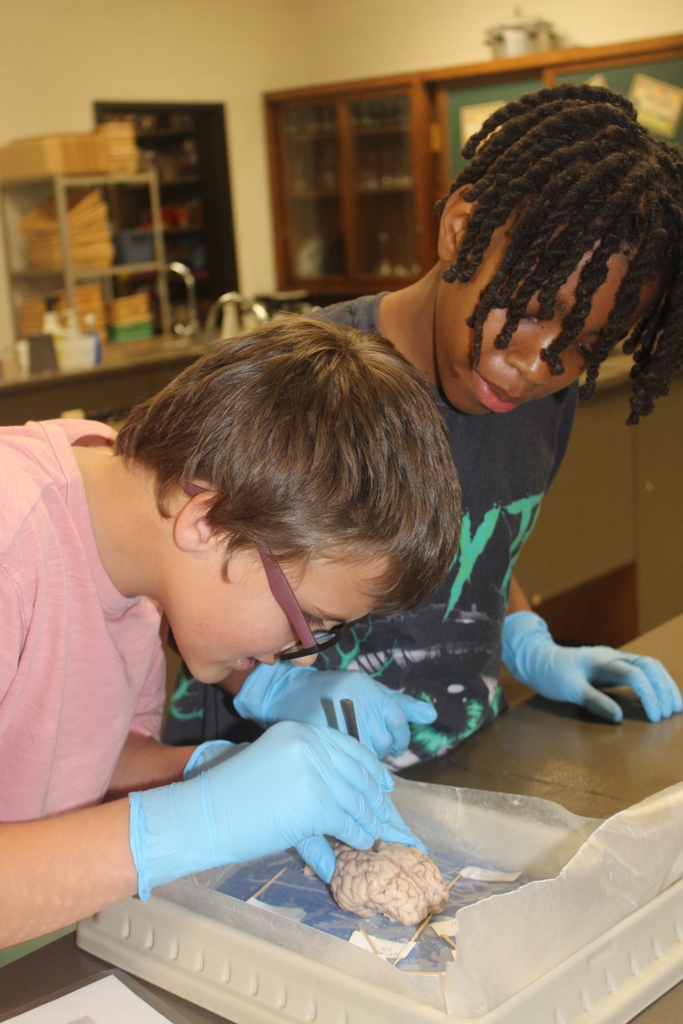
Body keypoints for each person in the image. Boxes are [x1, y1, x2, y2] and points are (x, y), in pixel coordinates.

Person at [165, 84, 683, 767]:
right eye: (525, 306)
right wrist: (270, 684)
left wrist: (525, 636)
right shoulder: (297, 384)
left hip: (456, 754)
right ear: (461, 229)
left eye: (583, 346)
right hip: (270, 771)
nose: (533, 366)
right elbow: (179, 573)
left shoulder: (539, 402)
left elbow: (484, 541)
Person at [0, 318, 462, 948]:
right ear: (209, 522)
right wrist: (183, 826)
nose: (300, 663)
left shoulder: (140, 539)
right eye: (311, 622)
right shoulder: (12, 541)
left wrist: (211, 772)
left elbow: (87, 766)